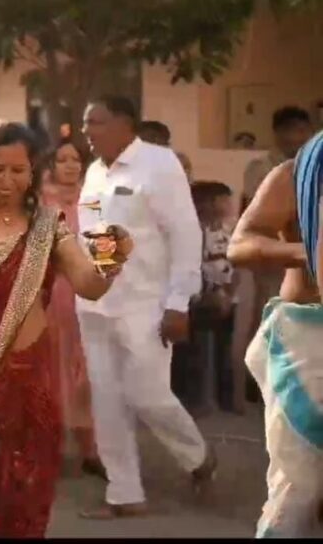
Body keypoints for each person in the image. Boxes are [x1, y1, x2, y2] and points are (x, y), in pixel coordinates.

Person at [0, 121, 128, 538]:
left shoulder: (49, 226)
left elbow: (89, 285)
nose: (6, 180)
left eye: (18, 170)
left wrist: (111, 258)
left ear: (34, 172)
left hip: (29, 383)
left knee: (22, 494)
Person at [76, 95, 215, 520]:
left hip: (147, 304)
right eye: (86, 123)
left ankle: (198, 456)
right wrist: (92, 272)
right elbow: (90, 228)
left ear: (125, 124)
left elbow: (185, 234)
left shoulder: (159, 164)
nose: (87, 131)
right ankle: (124, 494)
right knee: (107, 402)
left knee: (146, 393)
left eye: (96, 122)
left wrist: (179, 302)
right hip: (97, 303)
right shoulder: (94, 172)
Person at [227, 129, 323, 538]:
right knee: (296, 491)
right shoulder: (301, 173)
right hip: (308, 342)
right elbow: (240, 243)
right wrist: (308, 251)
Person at [40, 137, 105, 479]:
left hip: (90, 294)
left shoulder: (94, 198)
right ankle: (49, 446)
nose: (70, 166)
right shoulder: (40, 202)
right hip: (50, 295)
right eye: (62, 159)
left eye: (75, 159)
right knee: (52, 370)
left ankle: (90, 447)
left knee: (87, 373)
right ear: (51, 165)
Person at [193, 181, 239, 414]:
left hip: (229, 297)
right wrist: (212, 292)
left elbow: (236, 263)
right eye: (224, 200)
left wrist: (229, 293)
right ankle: (201, 398)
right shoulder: (198, 231)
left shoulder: (230, 230)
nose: (230, 205)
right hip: (205, 297)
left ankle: (226, 397)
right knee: (202, 348)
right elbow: (197, 264)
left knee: (225, 348)